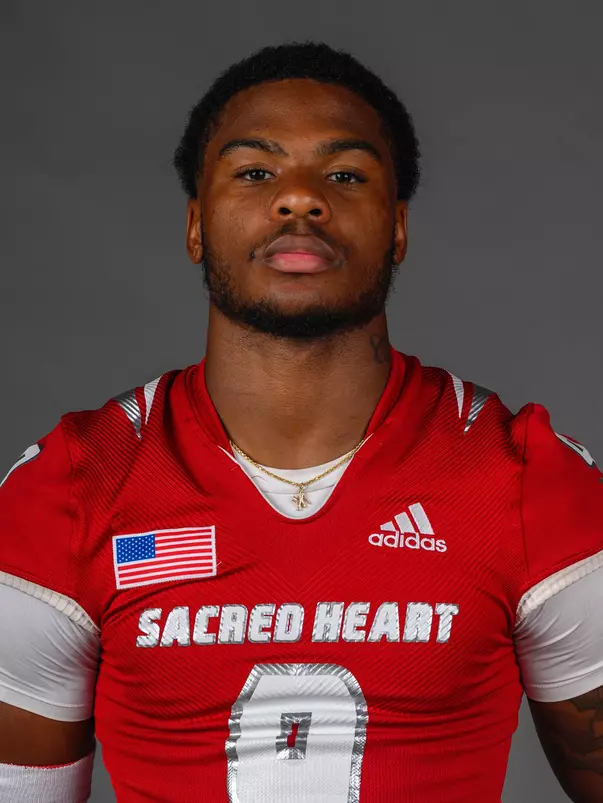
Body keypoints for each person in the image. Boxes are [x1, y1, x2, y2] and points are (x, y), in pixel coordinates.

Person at [0, 40, 601, 803]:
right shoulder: (74, 482)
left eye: (344, 175)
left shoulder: (523, 477)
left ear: (397, 229)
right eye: (255, 172)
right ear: (194, 225)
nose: (299, 200)